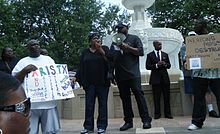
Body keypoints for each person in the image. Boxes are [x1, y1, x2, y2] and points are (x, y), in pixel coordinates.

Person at [11, 39, 60, 134]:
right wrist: (24, 70)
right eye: (33, 45)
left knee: (50, 132)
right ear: (28, 48)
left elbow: (56, 77)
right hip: (30, 105)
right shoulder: (23, 62)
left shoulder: (48, 60)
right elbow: (14, 80)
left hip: (49, 104)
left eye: (38, 44)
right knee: (30, 131)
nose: (36, 46)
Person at [109, 22, 152, 131]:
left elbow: (141, 52)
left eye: (121, 27)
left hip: (133, 74)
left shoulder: (134, 38)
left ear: (127, 28)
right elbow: (111, 59)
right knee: (125, 99)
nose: (119, 29)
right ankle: (128, 121)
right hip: (120, 75)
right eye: (117, 28)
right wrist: (111, 73)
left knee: (139, 96)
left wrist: (127, 47)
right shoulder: (114, 41)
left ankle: (146, 120)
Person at [187, 18, 220, 130]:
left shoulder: (213, 37)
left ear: (203, 25)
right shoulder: (193, 41)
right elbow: (188, 57)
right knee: (199, 98)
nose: (195, 26)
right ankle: (197, 122)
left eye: (197, 24)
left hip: (215, 74)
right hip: (199, 74)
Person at [77, 33, 110, 134]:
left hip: (102, 82)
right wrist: (76, 77)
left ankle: (102, 126)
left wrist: (100, 50)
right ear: (90, 41)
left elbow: (109, 61)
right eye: (94, 39)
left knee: (103, 105)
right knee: (89, 105)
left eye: (98, 38)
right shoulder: (85, 52)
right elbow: (81, 66)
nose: (97, 40)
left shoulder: (104, 49)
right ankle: (88, 127)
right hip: (89, 83)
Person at [180, 31, 219, 118]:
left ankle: (210, 109)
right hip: (190, 74)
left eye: (194, 36)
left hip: (204, 73)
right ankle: (199, 112)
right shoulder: (184, 47)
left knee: (208, 92)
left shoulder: (202, 45)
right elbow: (184, 60)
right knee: (194, 93)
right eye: (191, 37)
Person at [145, 40, 173, 120]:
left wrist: (165, 64)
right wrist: (157, 65)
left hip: (165, 79)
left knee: (167, 97)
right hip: (155, 79)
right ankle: (157, 114)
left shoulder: (165, 54)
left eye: (161, 44)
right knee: (156, 98)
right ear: (154, 45)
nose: (160, 45)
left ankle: (168, 114)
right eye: (159, 44)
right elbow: (147, 66)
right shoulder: (150, 55)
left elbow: (169, 65)